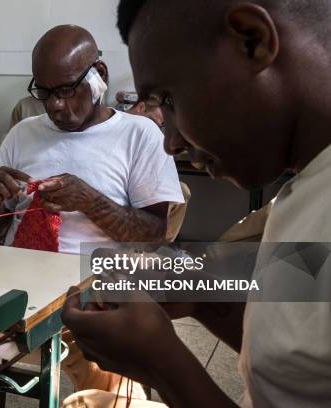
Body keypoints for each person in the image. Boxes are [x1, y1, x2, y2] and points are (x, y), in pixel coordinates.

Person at [62, 1, 331, 407]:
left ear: (253, 41)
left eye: (168, 99)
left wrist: (163, 367)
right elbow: (300, 360)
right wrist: (199, 295)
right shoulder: (309, 187)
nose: (171, 142)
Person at [0, 25, 184, 255]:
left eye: (66, 89)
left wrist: (90, 202)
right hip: (21, 273)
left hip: (93, 282)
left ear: (100, 74)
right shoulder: (22, 134)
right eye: (43, 91)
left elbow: (154, 237)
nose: (53, 105)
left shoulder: (139, 135)